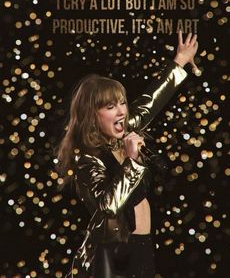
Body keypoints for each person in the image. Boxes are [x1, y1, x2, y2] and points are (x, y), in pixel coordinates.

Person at [57, 31, 198, 278]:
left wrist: (180, 62)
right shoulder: (88, 158)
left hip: (141, 246)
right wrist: (131, 162)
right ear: (92, 115)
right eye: (110, 107)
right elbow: (108, 205)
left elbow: (150, 102)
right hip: (114, 251)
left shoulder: (124, 133)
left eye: (122, 102)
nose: (121, 111)